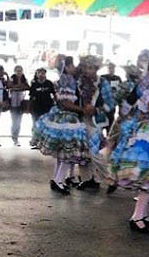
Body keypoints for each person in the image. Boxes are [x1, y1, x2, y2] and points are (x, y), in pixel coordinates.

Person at [109, 50, 149, 233]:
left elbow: (130, 104)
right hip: (148, 132)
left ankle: (141, 215)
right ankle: (137, 217)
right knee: (148, 174)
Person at [31, 56, 90, 195]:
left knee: (62, 153)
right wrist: (82, 110)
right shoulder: (68, 80)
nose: (75, 68)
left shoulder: (63, 79)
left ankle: (57, 179)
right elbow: (65, 102)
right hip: (67, 118)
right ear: (68, 66)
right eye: (73, 65)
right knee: (69, 153)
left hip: (61, 116)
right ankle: (58, 181)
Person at [74, 55, 115, 191]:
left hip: (95, 121)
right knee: (84, 152)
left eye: (90, 67)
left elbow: (111, 104)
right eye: (85, 67)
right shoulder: (80, 81)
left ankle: (110, 178)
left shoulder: (103, 83)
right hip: (81, 119)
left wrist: (96, 109)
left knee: (93, 152)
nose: (87, 70)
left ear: (96, 69)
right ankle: (91, 179)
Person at [8, 65, 29, 146]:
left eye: (20, 70)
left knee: (19, 121)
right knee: (14, 120)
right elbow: (9, 86)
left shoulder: (24, 78)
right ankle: (14, 136)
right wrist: (18, 86)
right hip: (13, 102)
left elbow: (27, 86)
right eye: (17, 70)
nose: (19, 72)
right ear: (14, 71)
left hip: (21, 101)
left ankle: (16, 137)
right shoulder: (12, 78)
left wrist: (20, 86)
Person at [101, 62, 122, 134]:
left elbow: (121, 89)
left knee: (111, 120)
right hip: (104, 102)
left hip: (113, 102)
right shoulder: (103, 77)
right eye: (109, 68)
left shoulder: (117, 78)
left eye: (112, 68)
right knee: (102, 121)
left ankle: (109, 134)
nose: (111, 69)